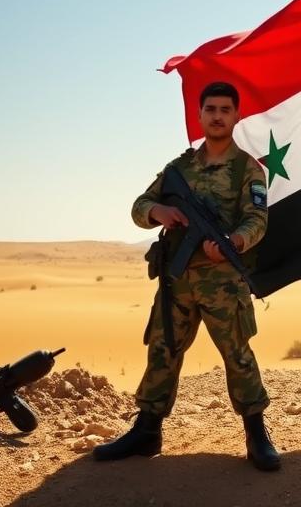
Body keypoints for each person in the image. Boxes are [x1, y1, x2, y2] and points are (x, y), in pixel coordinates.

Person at [94, 81, 280, 471]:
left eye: (224, 110)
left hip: (222, 281)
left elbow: (257, 218)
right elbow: (139, 205)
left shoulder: (248, 169)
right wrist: (158, 213)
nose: (216, 116)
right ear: (199, 116)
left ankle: (256, 433)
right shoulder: (178, 169)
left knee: (237, 355)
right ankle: (146, 430)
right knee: (162, 351)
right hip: (176, 281)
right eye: (210, 109)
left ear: (236, 116)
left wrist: (237, 242)